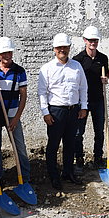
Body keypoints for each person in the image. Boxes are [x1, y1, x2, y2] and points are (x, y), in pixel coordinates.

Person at [38, 33, 88, 190]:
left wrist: (84, 106)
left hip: (73, 110)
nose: (62, 50)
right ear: (54, 49)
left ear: (69, 48)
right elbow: (42, 92)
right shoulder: (47, 68)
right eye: (59, 47)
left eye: (65, 47)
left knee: (70, 144)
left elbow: (83, 87)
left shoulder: (76, 66)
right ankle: (54, 176)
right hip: (55, 111)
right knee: (53, 144)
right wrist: (45, 112)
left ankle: (68, 172)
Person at [0, 37, 30, 182]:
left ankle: (24, 177)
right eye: (4, 53)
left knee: (19, 147)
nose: (7, 55)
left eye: (9, 52)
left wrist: (17, 118)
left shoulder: (19, 71)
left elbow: (23, 96)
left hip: (12, 115)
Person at [73, 26, 109, 173]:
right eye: (90, 40)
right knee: (78, 132)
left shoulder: (103, 58)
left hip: (98, 100)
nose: (92, 43)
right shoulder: (78, 60)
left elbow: (107, 75)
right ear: (84, 40)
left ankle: (98, 158)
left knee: (99, 131)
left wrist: (105, 79)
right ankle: (79, 159)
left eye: (95, 40)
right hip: (83, 101)